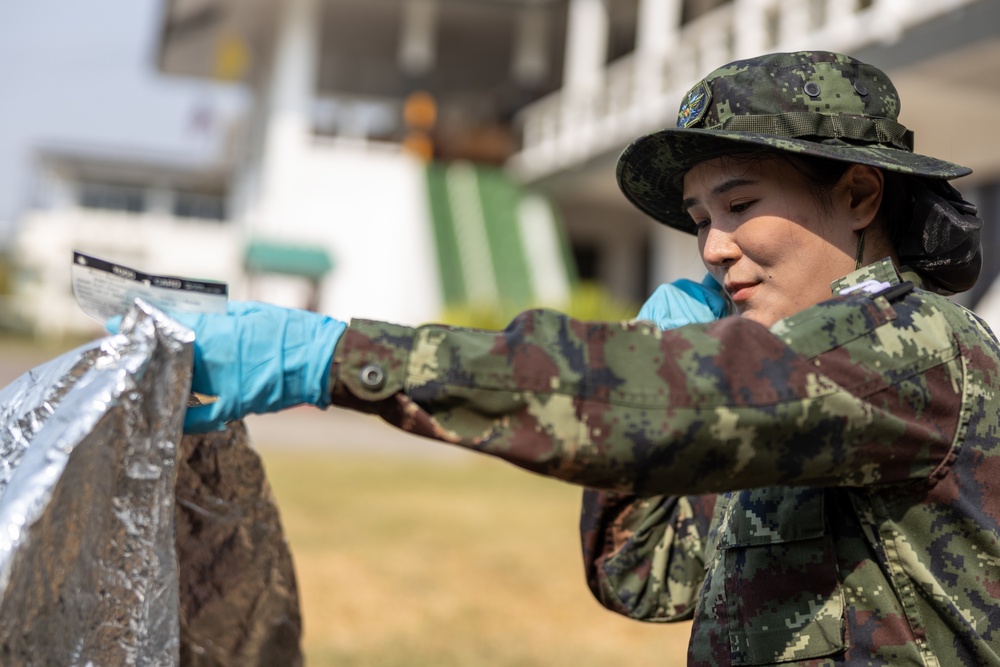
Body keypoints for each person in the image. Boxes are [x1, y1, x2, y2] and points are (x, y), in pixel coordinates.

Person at [110, 51, 998, 664]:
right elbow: (645, 575)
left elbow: (644, 407)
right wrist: (662, 379)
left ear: (857, 193)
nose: (715, 248)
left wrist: (338, 354)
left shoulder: (906, 347)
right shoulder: (796, 381)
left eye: (740, 204)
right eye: (700, 222)